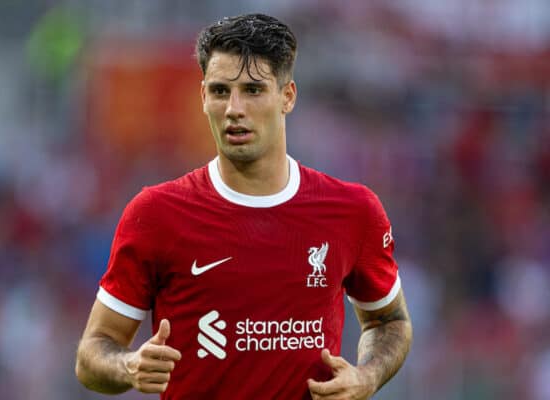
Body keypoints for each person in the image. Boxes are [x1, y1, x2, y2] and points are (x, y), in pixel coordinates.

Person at [75, 13, 412, 400]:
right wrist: (128, 366)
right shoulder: (156, 214)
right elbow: (91, 354)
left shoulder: (354, 211)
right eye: (220, 91)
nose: (234, 108)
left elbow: (389, 320)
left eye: (253, 90)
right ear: (202, 97)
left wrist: (368, 376)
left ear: (288, 96)